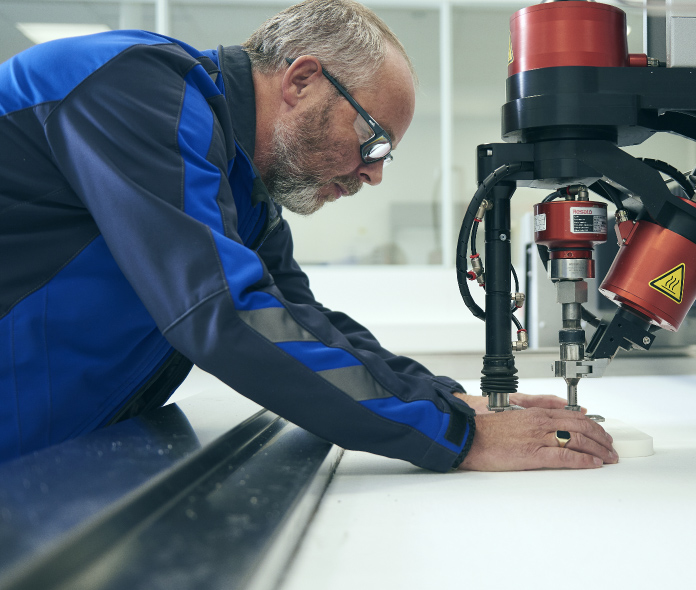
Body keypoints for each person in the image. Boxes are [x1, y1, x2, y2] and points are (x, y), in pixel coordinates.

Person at [0, 0, 617, 471]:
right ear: (302, 80)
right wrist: (455, 438)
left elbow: (298, 314)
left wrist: (451, 401)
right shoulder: (136, 86)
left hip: (43, 457)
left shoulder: (240, 187)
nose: (374, 173)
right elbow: (223, 313)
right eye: (374, 141)